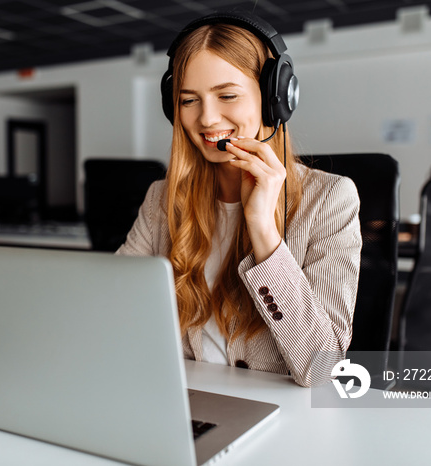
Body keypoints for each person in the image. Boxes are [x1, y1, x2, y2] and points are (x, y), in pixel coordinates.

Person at [116, 11, 362, 387]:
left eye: (227, 95)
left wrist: (263, 229)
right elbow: (112, 309)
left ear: (274, 99)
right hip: (181, 403)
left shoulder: (329, 199)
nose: (207, 119)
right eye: (188, 100)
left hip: (279, 416)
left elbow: (324, 370)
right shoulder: (162, 199)